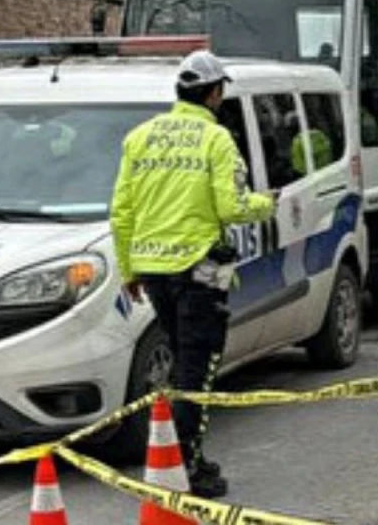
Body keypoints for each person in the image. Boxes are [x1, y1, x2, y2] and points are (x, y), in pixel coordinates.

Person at [109, 51, 278, 497]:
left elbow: (121, 212)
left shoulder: (140, 137)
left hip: (152, 269)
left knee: (181, 359)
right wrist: (268, 204)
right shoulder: (215, 139)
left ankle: (177, 453)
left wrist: (129, 269)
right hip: (198, 268)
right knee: (196, 370)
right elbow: (231, 207)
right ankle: (189, 464)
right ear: (214, 92)